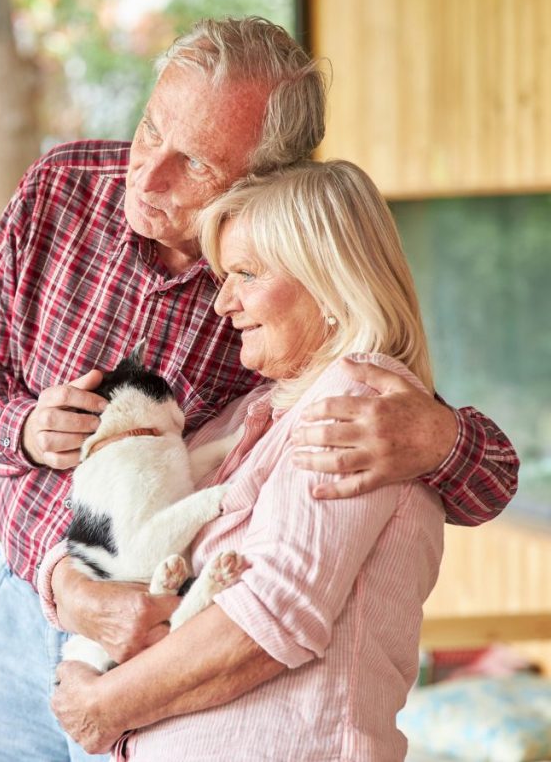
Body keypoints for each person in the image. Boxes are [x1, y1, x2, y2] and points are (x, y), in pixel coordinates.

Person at [0, 16, 518, 762]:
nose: (147, 174)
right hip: (26, 600)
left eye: (195, 162)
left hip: (159, 640)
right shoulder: (62, 190)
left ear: (265, 180)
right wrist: (23, 433)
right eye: (149, 131)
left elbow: (471, 477)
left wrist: (436, 436)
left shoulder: (282, 282)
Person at [48, 158, 452, 759]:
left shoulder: (359, 410)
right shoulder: (249, 415)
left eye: (246, 274)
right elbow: (118, 532)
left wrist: (98, 706)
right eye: (222, 276)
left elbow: (267, 623)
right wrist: (68, 586)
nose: (222, 304)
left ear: (329, 281)